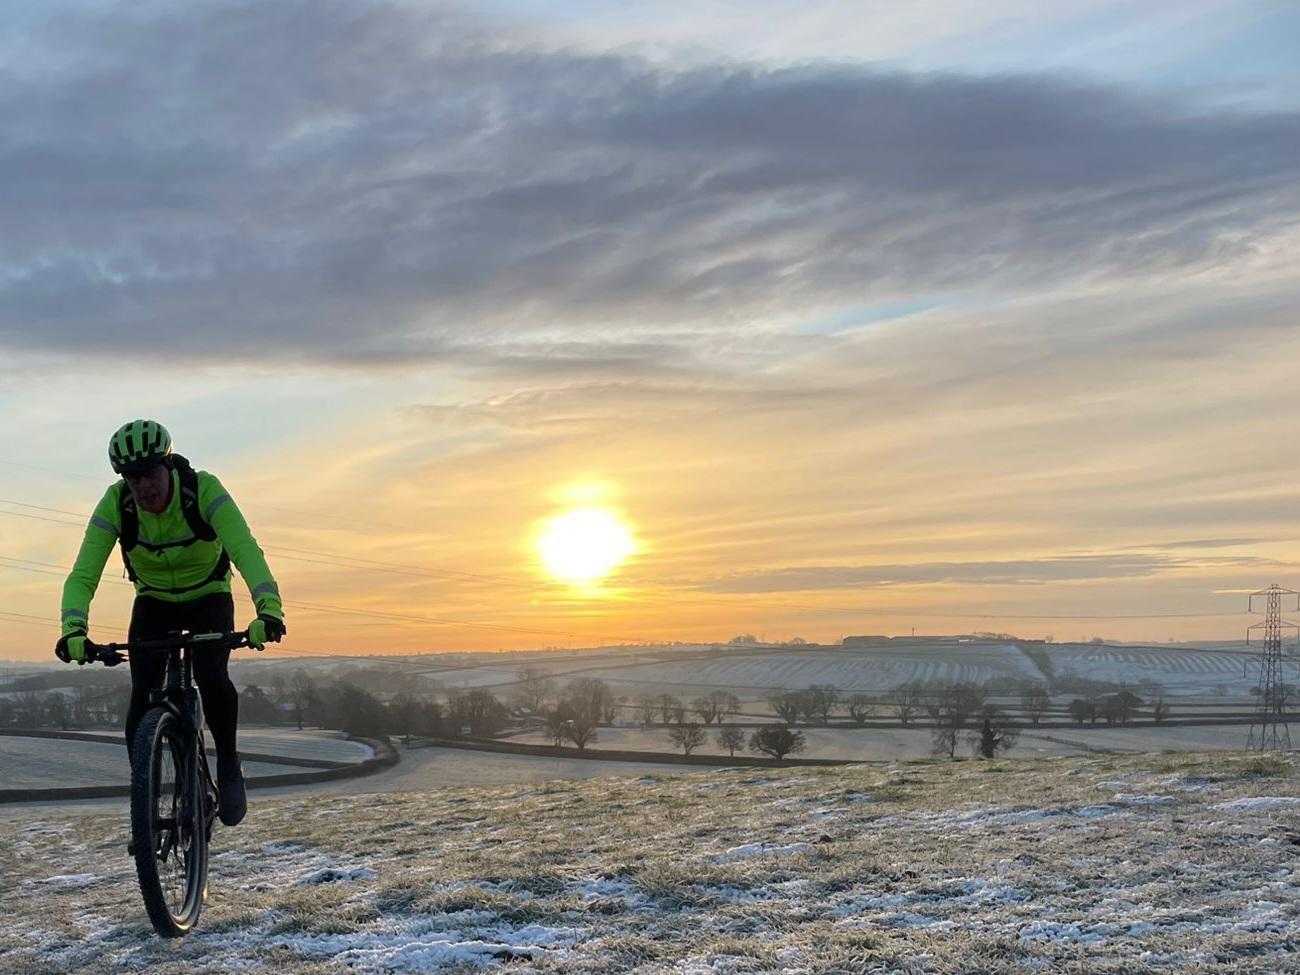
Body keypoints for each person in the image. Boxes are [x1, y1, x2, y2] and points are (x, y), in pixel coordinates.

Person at [55, 419, 285, 827]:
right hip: (155, 601)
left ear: (168, 465)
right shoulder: (116, 504)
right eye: (133, 478)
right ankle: (144, 790)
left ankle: (228, 766)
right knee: (142, 691)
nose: (144, 486)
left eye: (151, 473)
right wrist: (74, 629)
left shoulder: (203, 490)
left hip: (209, 595)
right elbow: (83, 573)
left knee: (212, 677)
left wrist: (268, 610)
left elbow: (245, 549)